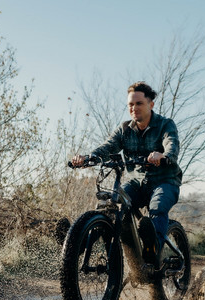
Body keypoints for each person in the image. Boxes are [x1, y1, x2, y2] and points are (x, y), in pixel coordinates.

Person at [72, 81, 182, 260]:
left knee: (157, 207)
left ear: (151, 105)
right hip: (136, 182)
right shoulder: (124, 129)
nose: (134, 108)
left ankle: (152, 250)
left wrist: (164, 156)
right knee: (110, 204)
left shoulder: (165, 124)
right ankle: (76, 244)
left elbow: (172, 143)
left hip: (164, 180)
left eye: (139, 103)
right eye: (131, 104)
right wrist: (88, 158)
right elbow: (108, 147)